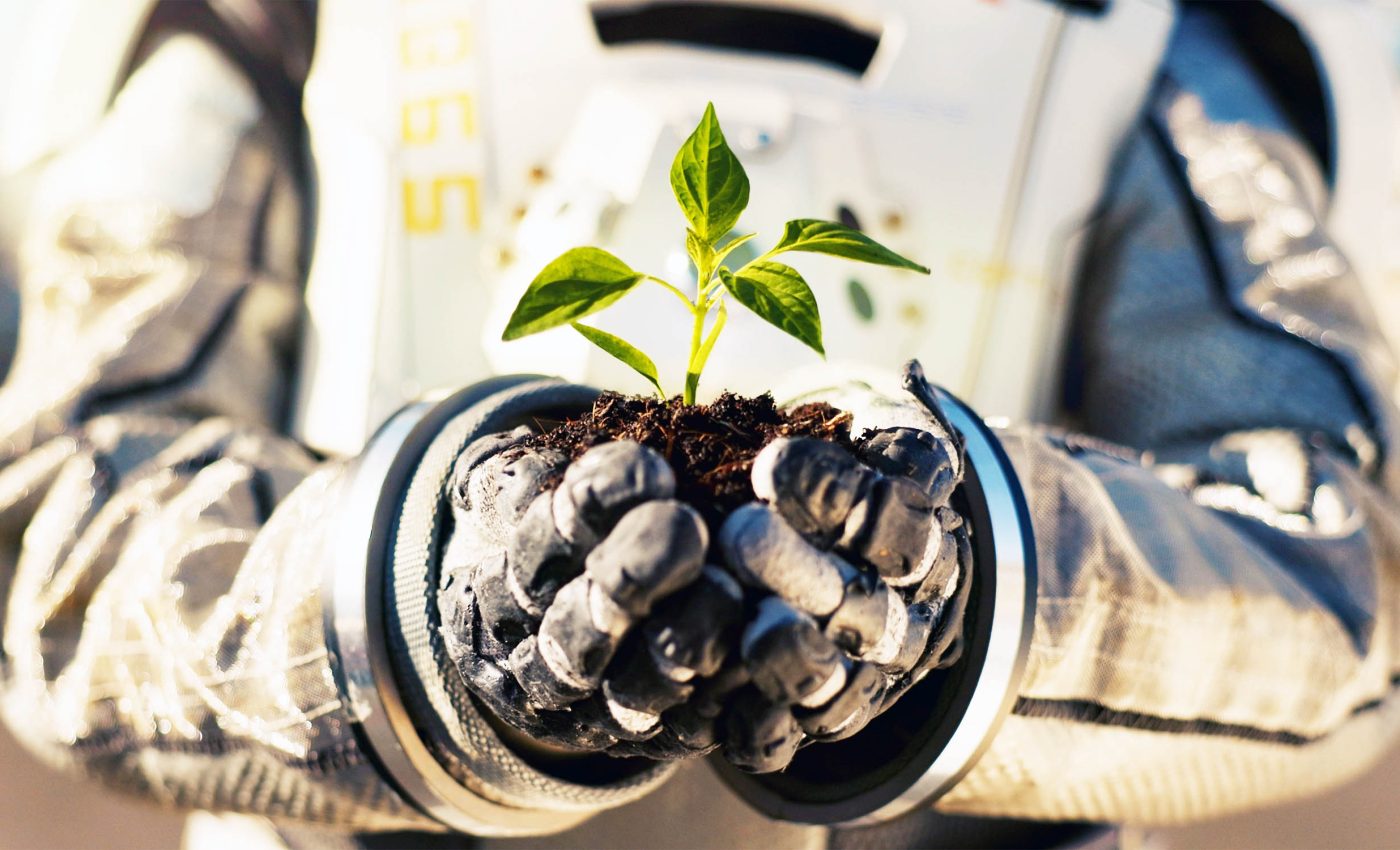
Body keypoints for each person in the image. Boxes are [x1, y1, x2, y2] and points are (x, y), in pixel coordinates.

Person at [1, 1, 1399, 849]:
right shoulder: (274, 24)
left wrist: (986, 594)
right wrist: (417, 610)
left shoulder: (1149, 53)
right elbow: (68, 518)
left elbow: (1332, 572)